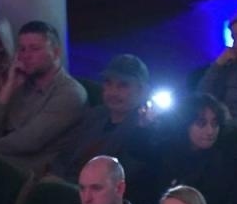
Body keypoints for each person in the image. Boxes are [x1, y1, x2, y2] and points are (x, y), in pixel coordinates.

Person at [0, 20, 88, 175]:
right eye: (22, 49)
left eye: (34, 49)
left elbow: (29, 141)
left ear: (56, 52)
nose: (26, 56)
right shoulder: (21, 84)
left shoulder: (70, 93)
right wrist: (8, 87)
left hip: (30, 176)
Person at [49, 54, 159, 186]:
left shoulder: (145, 130)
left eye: (123, 86)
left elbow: (128, 176)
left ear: (142, 91)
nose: (113, 92)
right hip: (64, 184)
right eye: (108, 83)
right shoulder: (95, 115)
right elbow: (65, 154)